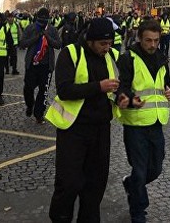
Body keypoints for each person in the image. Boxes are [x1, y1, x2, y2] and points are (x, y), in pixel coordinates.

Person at [47, 17, 121, 222]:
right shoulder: (70, 53)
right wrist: (98, 87)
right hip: (73, 128)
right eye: (102, 44)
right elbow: (64, 90)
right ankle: (61, 218)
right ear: (90, 40)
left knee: (96, 184)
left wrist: (124, 97)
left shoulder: (113, 55)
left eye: (110, 43)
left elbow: (119, 86)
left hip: (101, 129)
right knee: (69, 183)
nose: (107, 48)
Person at [117, 20, 170, 223]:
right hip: (135, 124)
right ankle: (138, 211)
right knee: (140, 171)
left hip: (156, 122)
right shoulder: (127, 59)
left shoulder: (162, 59)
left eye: (156, 41)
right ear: (139, 38)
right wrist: (127, 99)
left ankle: (131, 184)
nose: (152, 45)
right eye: (148, 40)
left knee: (156, 169)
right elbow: (121, 88)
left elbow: (166, 86)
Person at [19, 8, 61, 122]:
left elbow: (58, 44)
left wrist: (47, 36)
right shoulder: (30, 28)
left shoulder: (52, 30)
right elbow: (22, 43)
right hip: (32, 64)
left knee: (44, 91)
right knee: (28, 88)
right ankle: (30, 105)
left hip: (46, 65)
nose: (43, 22)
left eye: (45, 20)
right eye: (41, 19)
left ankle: (39, 114)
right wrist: (36, 37)